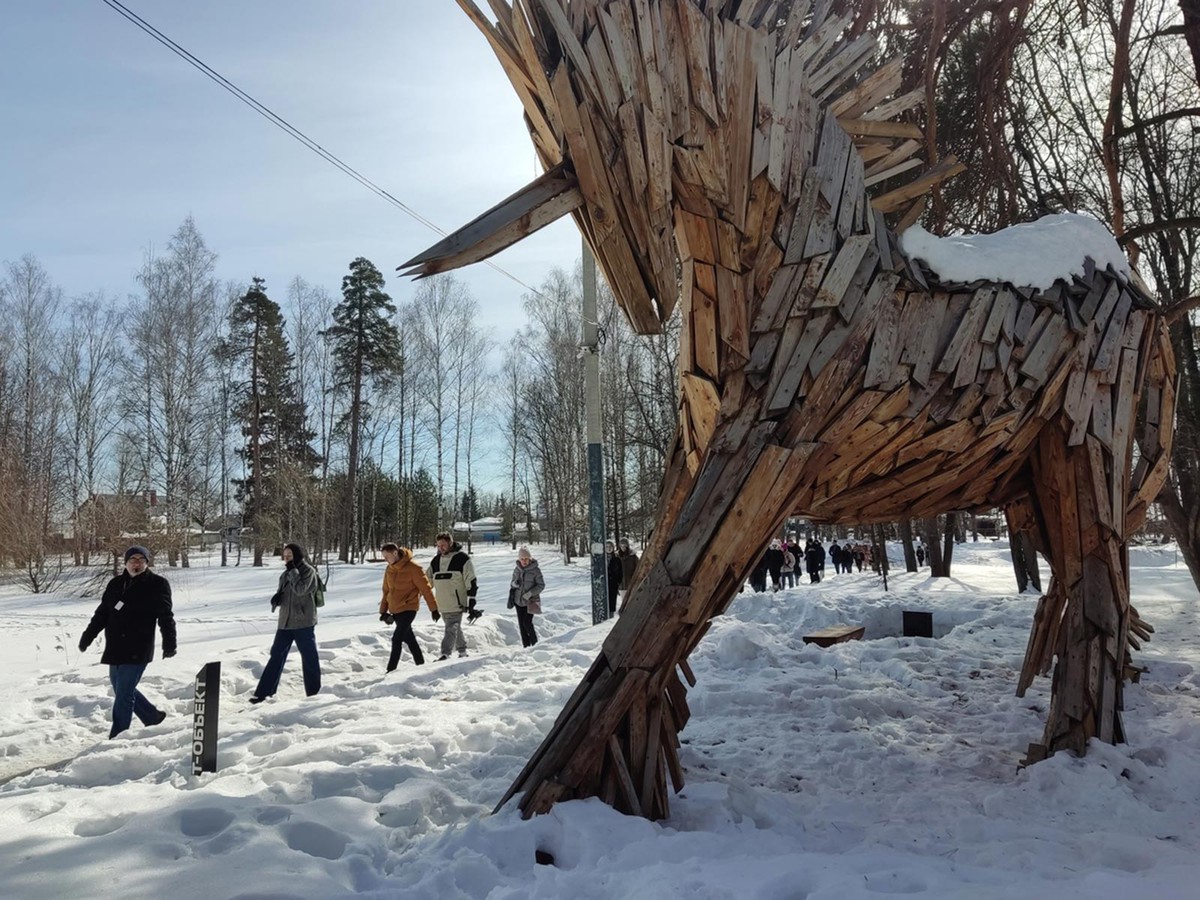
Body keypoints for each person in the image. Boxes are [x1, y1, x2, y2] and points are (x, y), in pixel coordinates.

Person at [78, 545, 176, 739]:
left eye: (141, 559)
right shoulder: (115, 584)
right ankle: (151, 715)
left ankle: (117, 736)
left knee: (124, 693)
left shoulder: (157, 584)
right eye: (133, 559)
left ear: (147, 563)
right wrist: (87, 636)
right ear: (126, 562)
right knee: (121, 689)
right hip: (115, 646)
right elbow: (102, 613)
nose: (136, 563)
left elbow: (165, 616)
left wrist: (169, 643)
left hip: (138, 647)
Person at [250, 543, 321, 703]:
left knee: (309, 657)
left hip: (303, 622)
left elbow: (301, 590)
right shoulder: (285, 573)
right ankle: (263, 693)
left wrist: (293, 571)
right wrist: (276, 599)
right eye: (285, 555)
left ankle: (314, 693)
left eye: (290, 554)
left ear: (297, 555)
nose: (286, 557)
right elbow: (284, 593)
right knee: (276, 655)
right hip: (285, 623)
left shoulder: (308, 571)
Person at [378, 542, 437, 672]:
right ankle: (421, 665)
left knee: (396, 639)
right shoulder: (389, 569)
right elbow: (386, 591)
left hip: (409, 608)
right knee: (409, 639)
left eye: (387, 556)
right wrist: (383, 611)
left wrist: (434, 609)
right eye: (384, 556)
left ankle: (390, 670)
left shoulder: (413, 568)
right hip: (395, 609)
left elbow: (426, 589)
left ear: (395, 553)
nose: (385, 559)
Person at [427, 532, 480, 660]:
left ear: (450, 543)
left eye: (443, 545)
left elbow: (471, 581)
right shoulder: (435, 561)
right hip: (442, 603)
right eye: (438, 546)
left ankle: (445, 653)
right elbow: (427, 581)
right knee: (454, 628)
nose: (440, 548)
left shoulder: (462, 559)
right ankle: (462, 652)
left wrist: (471, 601)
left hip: (457, 602)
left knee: (451, 628)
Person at [508, 546, 545, 648]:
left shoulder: (535, 570)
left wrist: (530, 593)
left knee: (527, 623)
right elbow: (512, 583)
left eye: (526, 559)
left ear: (530, 558)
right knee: (522, 626)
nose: (524, 561)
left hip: (531, 602)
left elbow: (541, 585)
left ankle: (535, 645)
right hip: (518, 601)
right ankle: (526, 647)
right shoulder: (517, 569)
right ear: (519, 559)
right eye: (522, 559)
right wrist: (514, 584)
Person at [616, 538, 639, 611]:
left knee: (632, 601)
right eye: (621, 546)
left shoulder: (633, 557)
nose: (623, 548)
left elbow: (638, 568)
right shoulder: (616, 557)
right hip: (621, 585)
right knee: (624, 601)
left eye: (624, 546)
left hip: (631, 583)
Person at [605, 541, 622, 617]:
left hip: (613, 583)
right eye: (607, 547)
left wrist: (618, 582)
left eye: (610, 547)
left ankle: (611, 617)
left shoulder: (616, 559)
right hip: (604, 583)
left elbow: (620, 572)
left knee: (612, 601)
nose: (609, 549)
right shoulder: (601, 558)